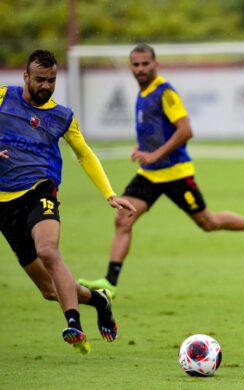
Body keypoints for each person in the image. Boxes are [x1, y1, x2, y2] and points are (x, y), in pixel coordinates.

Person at [78, 43, 244, 298]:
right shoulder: (142, 92)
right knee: (122, 218)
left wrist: (153, 153)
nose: (140, 69)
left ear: (156, 65)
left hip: (176, 174)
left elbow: (186, 130)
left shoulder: (165, 92)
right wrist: (144, 148)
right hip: (149, 174)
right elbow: (156, 130)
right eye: (136, 64)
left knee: (208, 222)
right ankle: (110, 283)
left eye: (145, 64)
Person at [0, 49, 136, 354]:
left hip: (40, 190)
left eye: (51, 80)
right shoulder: (2, 98)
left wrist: (110, 194)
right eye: (39, 79)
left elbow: (84, 154)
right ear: (25, 77)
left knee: (48, 250)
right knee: (50, 291)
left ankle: (73, 322)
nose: (46, 86)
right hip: (4, 205)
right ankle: (99, 300)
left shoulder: (62, 116)